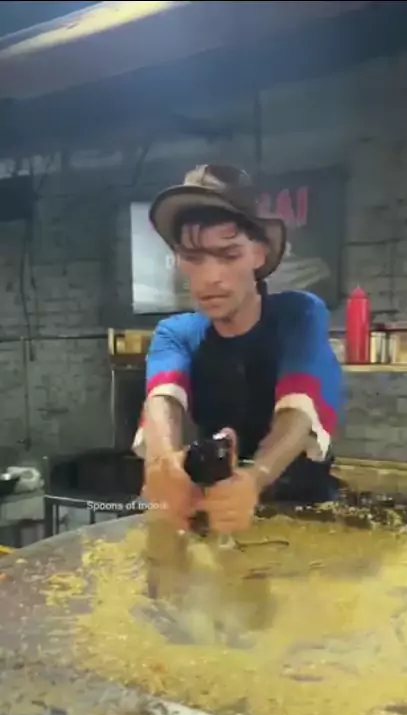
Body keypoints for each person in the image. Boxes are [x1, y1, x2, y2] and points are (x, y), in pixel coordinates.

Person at [134, 164, 343, 535]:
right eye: (193, 258)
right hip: (215, 516)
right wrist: (163, 465)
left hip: (304, 516)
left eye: (229, 255)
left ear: (259, 254)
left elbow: (300, 405)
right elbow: (162, 399)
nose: (210, 277)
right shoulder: (175, 333)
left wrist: (255, 477)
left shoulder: (298, 315)